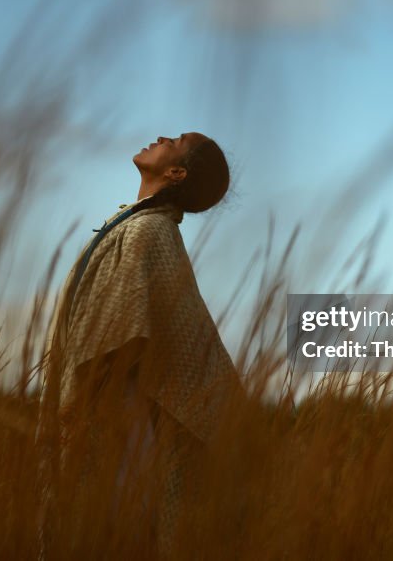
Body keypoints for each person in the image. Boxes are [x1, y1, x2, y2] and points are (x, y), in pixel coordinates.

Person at [36, 132, 242, 557]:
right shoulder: (137, 224)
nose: (163, 136)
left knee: (109, 534)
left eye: (177, 140)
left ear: (175, 172)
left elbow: (126, 334)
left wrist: (79, 410)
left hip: (118, 417)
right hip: (113, 412)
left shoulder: (148, 230)